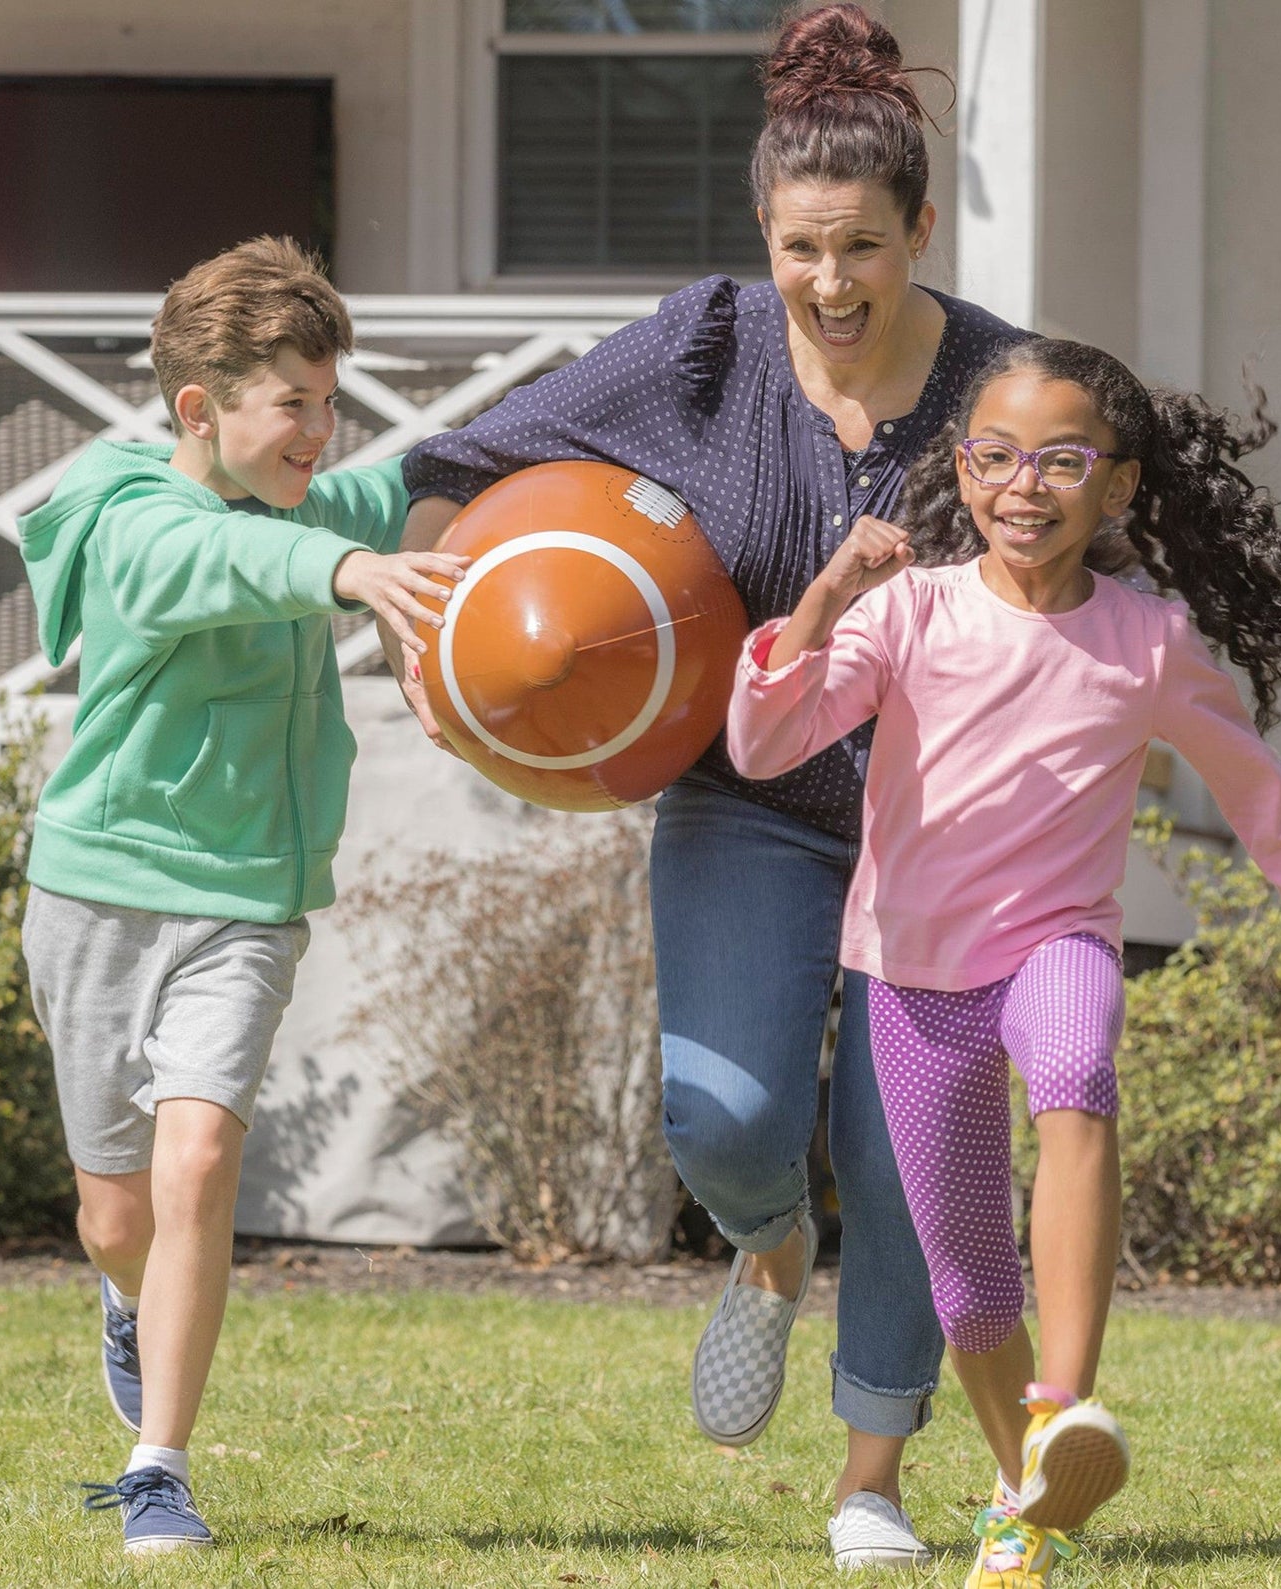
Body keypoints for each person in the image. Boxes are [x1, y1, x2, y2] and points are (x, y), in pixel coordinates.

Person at [392, 2, 1027, 1566]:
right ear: (765, 229)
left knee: (909, 1162)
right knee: (726, 1119)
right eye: (803, 246)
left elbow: (1105, 573)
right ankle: (763, 1242)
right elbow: (466, 465)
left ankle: (869, 1480)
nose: (830, 283)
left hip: (939, 833)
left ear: (919, 230)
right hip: (749, 792)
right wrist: (437, 634)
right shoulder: (708, 339)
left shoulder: (1008, 387)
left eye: (864, 248)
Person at [725, 334, 1281, 1586]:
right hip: (910, 967)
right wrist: (825, 596)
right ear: (961, 468)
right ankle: (1022, 1492)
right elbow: (766, 740)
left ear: (1114, 487)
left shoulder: (1144, 641)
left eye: (1059, 461)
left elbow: (1259, 792)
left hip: (1058, 940)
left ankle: (1062, 1404)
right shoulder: (909, 612)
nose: (1022, 485)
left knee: (1073, 1076)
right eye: (994, 457)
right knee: (963, 1274)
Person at [17, 236, 468, 1555]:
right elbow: (213, 566)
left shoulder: (313, 497)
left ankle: (158, 1466)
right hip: (96, 893)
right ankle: (130, 1295)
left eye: (333, 402)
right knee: (116, 1215)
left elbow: (434, 473)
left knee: (201, 1153)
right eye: (294, 404)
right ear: (202, 410)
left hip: (243, 897)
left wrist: (625, 387)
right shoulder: (128, 522)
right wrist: (352, 573)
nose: (323, 433)